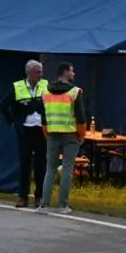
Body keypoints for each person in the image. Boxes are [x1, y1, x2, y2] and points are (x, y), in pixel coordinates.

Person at [37, 62, 86, 215]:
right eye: (72, 71)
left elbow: (43, 117)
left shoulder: (45, 91)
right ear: (65, 72)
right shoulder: (74, 92)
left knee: (50, 169)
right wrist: (81, 135)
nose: (74, 74)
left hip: (52, 133)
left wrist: (47, 133)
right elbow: (80, 117)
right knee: (67, 169)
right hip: (70, 134)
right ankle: (63, 205)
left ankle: (43, 205)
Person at [0, 59, 49, 208]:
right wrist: (13, 122)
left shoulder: (46, 85)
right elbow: (3, 106)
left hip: (41, 130)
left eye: (41, 71)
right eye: (37, 71)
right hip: (25, 131)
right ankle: (23, 196)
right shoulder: (18, 87)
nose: (41, 74)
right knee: (24, 164)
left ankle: (39, 196)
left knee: (41, 165)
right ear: (29, 72)